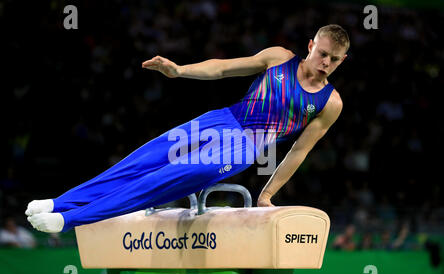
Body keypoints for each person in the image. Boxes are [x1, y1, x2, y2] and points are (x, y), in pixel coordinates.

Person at [26, 24, 349, 233]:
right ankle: (61, 202)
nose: (325, 63)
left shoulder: (329, 102)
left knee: (164, 179)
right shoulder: (279, 58)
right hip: (221, 119)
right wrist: (180, 70)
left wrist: (266, 195)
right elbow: (222, 69)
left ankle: (69, 220)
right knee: (144, 160)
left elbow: (299, 151)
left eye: (334, 59)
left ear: (342, 60)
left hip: (244, 147)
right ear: (310, 46)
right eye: (322, 54)